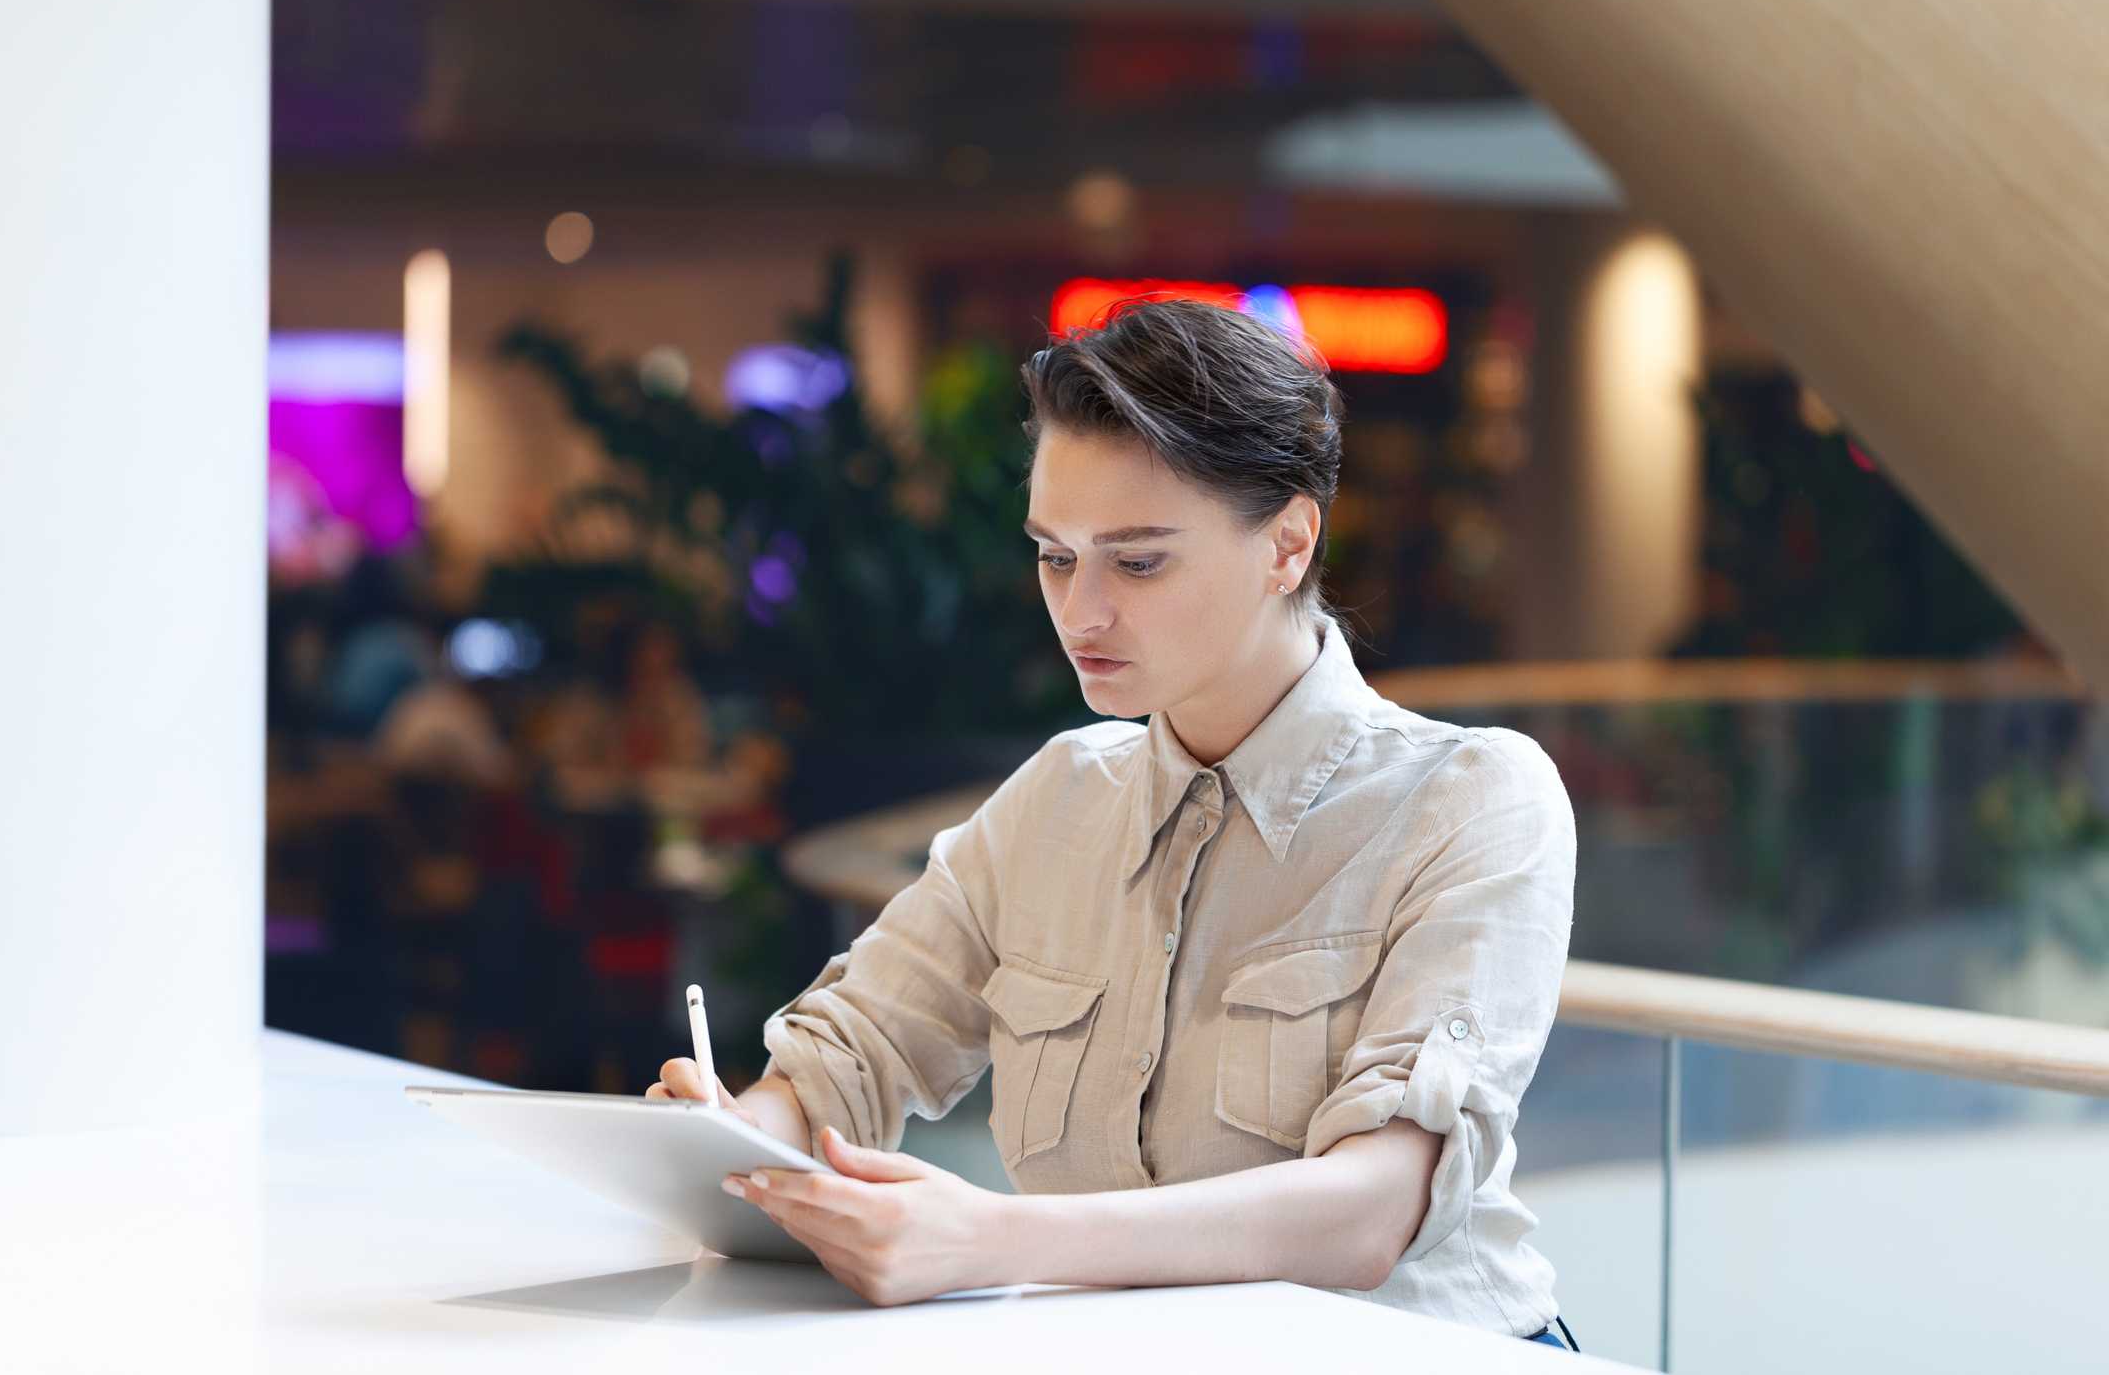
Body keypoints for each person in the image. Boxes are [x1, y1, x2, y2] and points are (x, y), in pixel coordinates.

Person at [647, 299, 1580, 1352]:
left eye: (1136, 563)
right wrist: (733, 1137)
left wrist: (994, 1238)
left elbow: (1372, 1208)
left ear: (1287, 544)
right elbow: (847, 1059)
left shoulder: (1472, 798)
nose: (1081, 612)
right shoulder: (1059, 798)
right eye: (1055, 556)